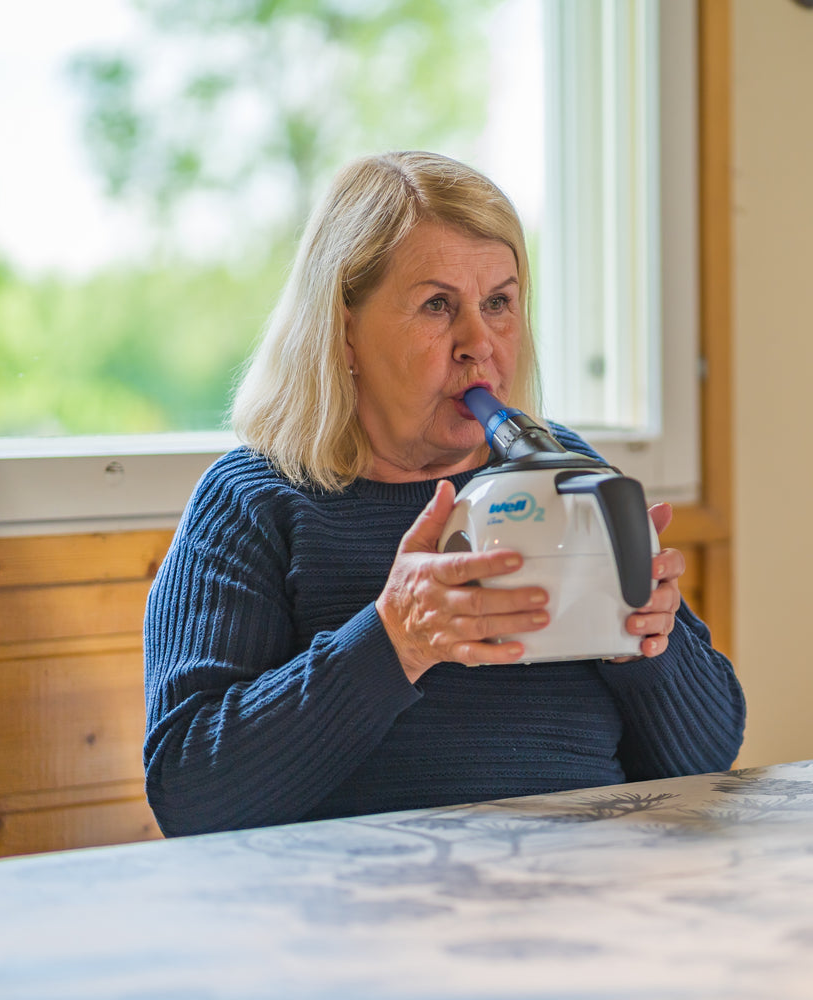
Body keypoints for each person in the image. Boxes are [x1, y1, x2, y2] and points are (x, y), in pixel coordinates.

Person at [142, 151, 746, 837]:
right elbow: (189, 795)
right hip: (358, 914)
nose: (478, 344)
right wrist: (394, 640)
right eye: (437, 305)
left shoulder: (565, 471)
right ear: (343, 329)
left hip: (584, 897)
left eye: (499, 303)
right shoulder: (253, 503)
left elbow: (708, 758)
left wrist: (647, 644)